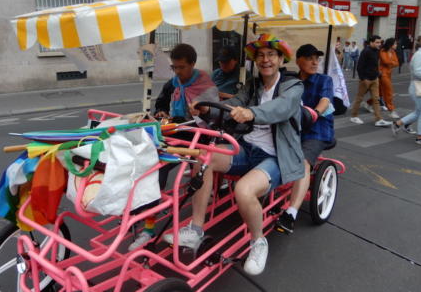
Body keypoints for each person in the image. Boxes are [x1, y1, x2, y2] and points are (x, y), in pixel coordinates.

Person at [164, 34, 304, 276]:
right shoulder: (252, 85)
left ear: (281, 59)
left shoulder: (293, 86)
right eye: (260, 56)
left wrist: (251, 113)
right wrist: (207, 108)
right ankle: (195, 230)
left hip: (275, 156)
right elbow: (234, 105)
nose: (265, 60)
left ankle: (258, 242)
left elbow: (281, 108)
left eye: (271, 54)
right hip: (245, 148)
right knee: (203, 156)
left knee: (244, 191)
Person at [128, 43, 218, 251]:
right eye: (174, 67)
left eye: (181, 67)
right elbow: (161, 101)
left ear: (193, 65)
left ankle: (149, 226)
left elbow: (214, 117)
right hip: (176, 132)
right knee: (150, 160)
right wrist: (161, 112)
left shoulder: (207, 86)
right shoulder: (174, 83)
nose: (177, 72)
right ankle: (146, 212)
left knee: (159, 164)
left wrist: (202, 111)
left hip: (199, 138)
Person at [276, 44, 334, 234]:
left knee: (303, 161)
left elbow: (325, 100)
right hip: (293, 128)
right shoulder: (289, 80)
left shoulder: (324, 80)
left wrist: (315, 113)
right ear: (298, 60)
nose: (315, 62)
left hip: (317, 129)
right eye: (310, 58)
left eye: (317, 59)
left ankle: (291, 213)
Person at [350, 35, 391, 127]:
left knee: (376, 100)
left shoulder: (377, 51)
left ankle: (378, 119)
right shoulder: (366, 51)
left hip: (374, 79)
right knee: (359, 98)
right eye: (377, 42)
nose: (379, 44)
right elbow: (359, 66)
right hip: (366, 79)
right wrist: (363, 79)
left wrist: (377, 74)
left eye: (380, 42)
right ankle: (354, 116)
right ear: (371, 42)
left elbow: (375, 64)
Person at [378, 38, 400, 119]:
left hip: (388, 73)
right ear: (391, 44)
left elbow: (397, 63)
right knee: (388, 91)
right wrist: (392, 62)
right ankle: (391, 110)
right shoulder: (383, 51)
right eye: (395, 44)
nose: (396, 45)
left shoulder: (393, 52)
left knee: (380, 92)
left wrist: (390, 63)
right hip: (382, 73)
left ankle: (368, 103)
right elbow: (385, 61)